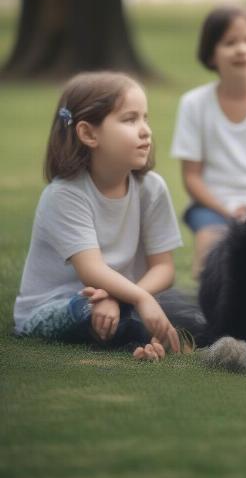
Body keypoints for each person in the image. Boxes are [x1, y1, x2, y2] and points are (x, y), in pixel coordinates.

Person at [13, 71, 183, 361]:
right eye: (130, 119)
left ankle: (143, 343)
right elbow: (91, 271)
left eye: (146, 118)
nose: (145, 130)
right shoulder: (64, 195)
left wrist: (125, 297)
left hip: (119, 297)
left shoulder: (151, 189)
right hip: (59, 304)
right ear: (88, 133)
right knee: (95, 310)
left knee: (165, 308)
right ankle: (138, 335)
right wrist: (139, 299)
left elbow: (164, 268)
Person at [171, 6, 246, 278]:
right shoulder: (193, 104)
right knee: (209, 247)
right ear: (211, 53)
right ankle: (209, 311)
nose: (242, 50)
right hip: (212, 207)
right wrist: (226, 210)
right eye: (230, 43)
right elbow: (191, 177)